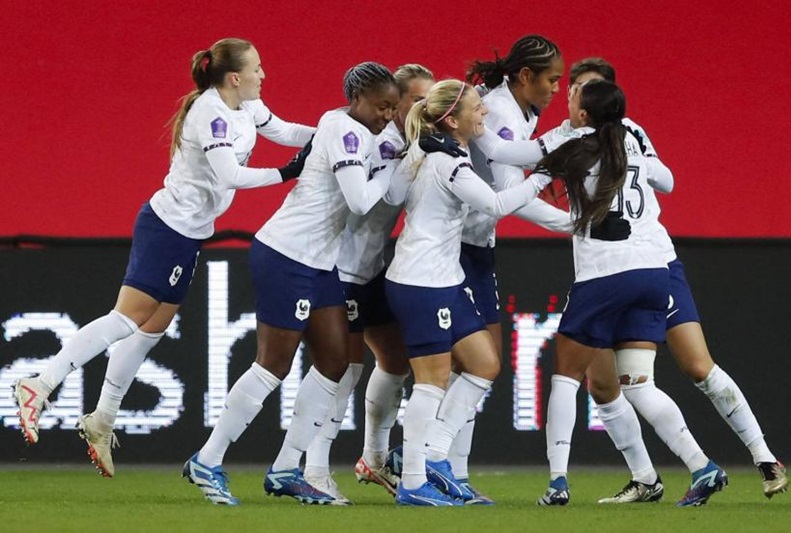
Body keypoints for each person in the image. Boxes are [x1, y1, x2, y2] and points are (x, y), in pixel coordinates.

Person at [12, 38, 315, 478]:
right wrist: (287, 172)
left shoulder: (246, 107)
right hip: (168, 228)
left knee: (153, 328)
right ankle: (39, 383)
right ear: (235, 77)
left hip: (189, 234)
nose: (262, 74)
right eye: (257, 68)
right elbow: (230, 174)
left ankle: (102, 418)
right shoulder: (209, 113)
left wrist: (330, 134)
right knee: (127, 319)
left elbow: (285, 131)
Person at [567, 58, 788, 502]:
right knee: (607, 381)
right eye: (576, 88)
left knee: (694, 366)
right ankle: (646, 478)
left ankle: (763, 457)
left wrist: (627, 161)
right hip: (611, 267)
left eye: (591, 90)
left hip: (649, 262)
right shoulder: (574, 140)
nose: (580, 97)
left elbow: (665, 178)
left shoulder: (626, 133)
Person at [182, 61, 400, 506]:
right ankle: (208, 458)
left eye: (393, 108)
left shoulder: (354, 130)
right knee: (272, 366)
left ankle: (285, 469)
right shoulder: (345, 130)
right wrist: (395, 166)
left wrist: (397, 156)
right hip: (286, 254)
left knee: (336, 362)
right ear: (357, 99)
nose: (387, 116)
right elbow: (360, 201)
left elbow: (383, 187)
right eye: (382, 106)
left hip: (319, 263)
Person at [534, 79, 730, 508]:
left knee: (565, 377)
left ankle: (558, 481)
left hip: (604, 273)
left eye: (572, 95)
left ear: (584, 114)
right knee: (637, 383)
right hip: (653, 272)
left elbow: (518, 174)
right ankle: (700, 466)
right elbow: (668, 181)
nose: (566, 97)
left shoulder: (575, 148)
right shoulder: (633, 144)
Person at [382, 79, 556, 506]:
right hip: (421, 281)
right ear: (453, 120)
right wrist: (544, 177)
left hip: (443, 279)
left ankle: (434, 455)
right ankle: (413, 481)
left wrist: (418, 151)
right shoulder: (451, 165)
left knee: (483, 363)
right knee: (432, 382)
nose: (484, 114)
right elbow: (496, 205)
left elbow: (392, 193)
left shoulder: (434, 152)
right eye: (478, 109)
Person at [296, 64, 436, 505]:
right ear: (391, 103)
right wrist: (404, 161)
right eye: (416, 101)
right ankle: (314, 469)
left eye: (429, 103)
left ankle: (373, 458)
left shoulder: (412, 144)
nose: (422, 110)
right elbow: (377, 198)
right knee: (343, 370)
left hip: (371, 269)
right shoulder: (374, 142)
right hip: (340, 269)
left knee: (395, 360)